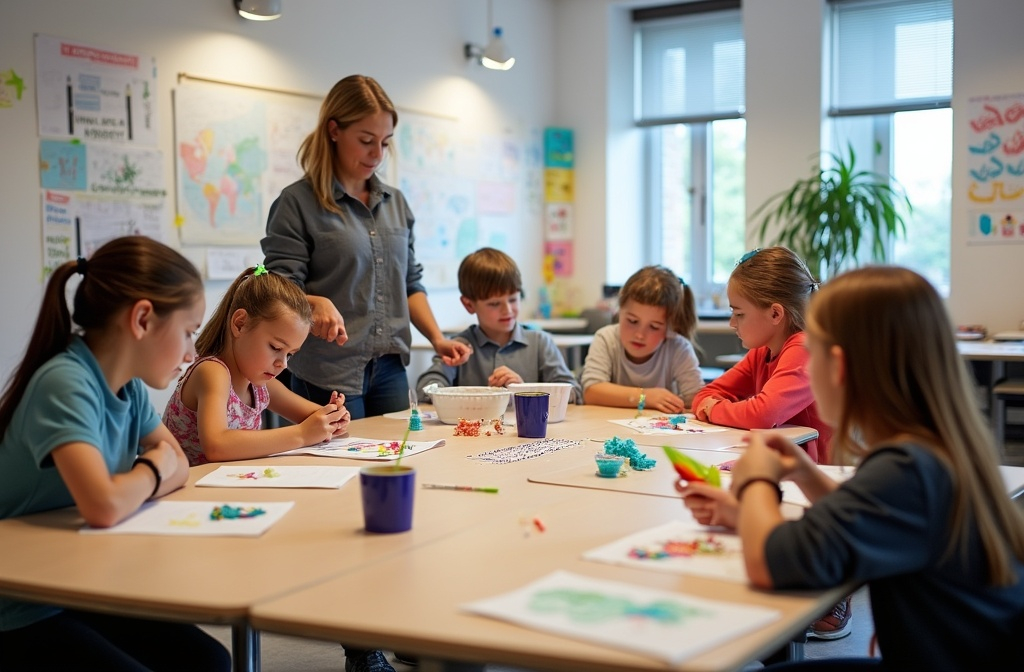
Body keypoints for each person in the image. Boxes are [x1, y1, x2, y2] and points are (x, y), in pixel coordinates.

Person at [679, 266, 1024, 671]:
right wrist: (801, 477)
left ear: (837, 366)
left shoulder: (906, 470)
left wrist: (757, 477)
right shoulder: (932, 449)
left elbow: (771, 563)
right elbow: (865, 514)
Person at [0, 236, 230, 671]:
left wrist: (150, 471)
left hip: (73, 582)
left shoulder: (127, 387)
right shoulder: (65, 383)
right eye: (187, 332)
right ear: (142, 318)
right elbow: (104, 505)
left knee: (211, 660)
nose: (190, 353)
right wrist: (149, 468)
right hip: (20, 606)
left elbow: (178, 461)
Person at [262, 74, 471, 423]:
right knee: (340, 469)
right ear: (334, 130)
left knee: (398, 460)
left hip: (389, 368)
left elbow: (410, 284)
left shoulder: (396, 203)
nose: (377, 154)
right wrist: (314, 302)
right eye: (366, 141)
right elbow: (277, 288)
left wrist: (438, 339)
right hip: (327, 371)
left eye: (386, 143)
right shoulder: (296, 203)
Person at [163, 265, 351, 466]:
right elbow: (217, 445)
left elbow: (313, 416)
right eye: (275, 347)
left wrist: (334, 417)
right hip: (189, 491)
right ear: (240, 324)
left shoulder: (259, 384)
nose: (283, 363)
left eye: (290, 354)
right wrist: (302, 434)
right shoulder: (212, 372)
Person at [691, 247, 832, 464]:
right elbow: (706, 394)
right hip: (780, 465)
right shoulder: (761, 352)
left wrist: (714, 409)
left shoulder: (804, 349)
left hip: (816, 475)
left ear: (775, 313)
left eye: (739, 314)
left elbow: (763, 414)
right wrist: (714, 406)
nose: (732, 323)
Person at [416, 247, 583, 402]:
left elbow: (573, 392)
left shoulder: (540, 343)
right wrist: (468, 397)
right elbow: (426, 388)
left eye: (513, 299)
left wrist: (524, 391)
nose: (507, 310)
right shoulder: (459, 348)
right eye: (495, 304)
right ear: (469, 305)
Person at [580, 265, 702, 413]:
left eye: (654, 327)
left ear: (669, 326)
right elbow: (591, 392)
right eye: (632, 321)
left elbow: (697, 399)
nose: (639, 335)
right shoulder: (606, 339)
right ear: (619, 311)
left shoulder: (678, 347)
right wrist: (645, 396)